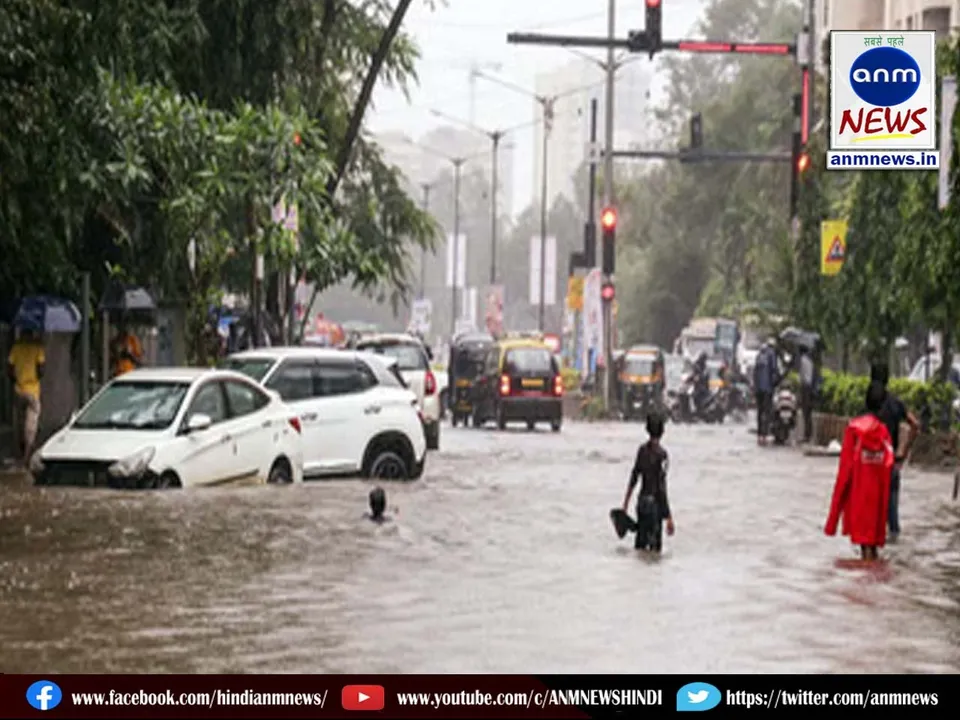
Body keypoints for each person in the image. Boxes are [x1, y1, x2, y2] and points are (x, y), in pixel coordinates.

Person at [825, 381, 894, 561]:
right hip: (877, 499)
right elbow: (887, 469)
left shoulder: (854, 429)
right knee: (872, 550)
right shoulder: (884, 433)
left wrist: (833, 519)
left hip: (859, 499)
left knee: (865, 552)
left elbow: (844, 472)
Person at [870, 364, 919, 542]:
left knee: (870, 519)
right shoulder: (896, 404)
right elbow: (915, 424)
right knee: (892, 519)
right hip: (891, 464)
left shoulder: (869, 404)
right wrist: (903, 453)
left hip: (870, 466)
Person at [621, 413, 675, 552]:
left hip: (641, 503)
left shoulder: (642, 451)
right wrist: (668, 517)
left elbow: (634, 477)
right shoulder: (662, 455)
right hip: (654, 506)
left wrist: (625, 504)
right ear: (662, 431)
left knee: (640, 545)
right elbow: (661, 487)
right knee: (655, 550)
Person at [7, 329, 45, 467]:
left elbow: (9, 368)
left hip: (19, 389)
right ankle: (26, 456)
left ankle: (18, 450)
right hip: (33, 390)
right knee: (31, 423)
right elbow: (41, 370)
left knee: (19, 420)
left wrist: (17, 380)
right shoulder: (37, 347)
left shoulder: (16, 347)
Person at [753, 341, 778, 444]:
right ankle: (764, 435)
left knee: (760, 412)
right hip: (767, 388)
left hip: (758, 389)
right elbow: (774, 370)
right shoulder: (772, 354)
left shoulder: (759, 355)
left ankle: (759, 435)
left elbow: (754, 373)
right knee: (767, 412)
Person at [798, 347, 816, 444]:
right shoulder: (810, 361)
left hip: (805, 387)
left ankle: (807, 435)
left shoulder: (803, 360)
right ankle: (808, 434)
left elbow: (802, 376)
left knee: (806, 412)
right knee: (808, 412)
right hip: (810, 387)